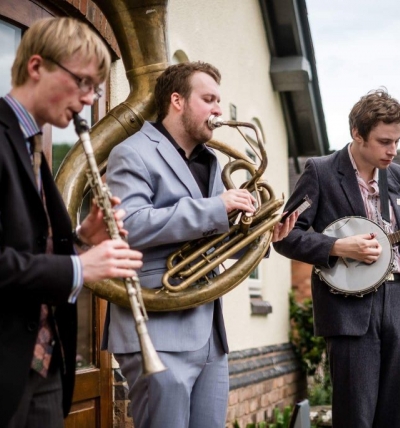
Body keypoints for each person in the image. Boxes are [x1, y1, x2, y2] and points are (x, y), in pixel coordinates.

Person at [0, 17, 143, 428]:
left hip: (44, 371)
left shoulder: (31, 146)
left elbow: (26, 246)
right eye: (83, 82)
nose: (89, 99)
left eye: (96, 88)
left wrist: (81, 238)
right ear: (37, 67)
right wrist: (80, 267)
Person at [103, 61, 297, 428]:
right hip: (157, 329)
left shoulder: (212, 161)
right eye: (208, 99)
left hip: (210, 334)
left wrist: (260, 238)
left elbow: (217, 239)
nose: (218, 110)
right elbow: (128, 226)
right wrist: (216, 207)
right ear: (177, 101)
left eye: (219, 102)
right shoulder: (132, 152)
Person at [273, 88, 400, 427]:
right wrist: (337, 247)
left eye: (397, 141)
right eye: (385, 141)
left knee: (395, 416)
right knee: (355, 416)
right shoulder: (321, 172)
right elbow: (286, 237)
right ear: (358, 134)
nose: (393, 150)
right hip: (350, 310)